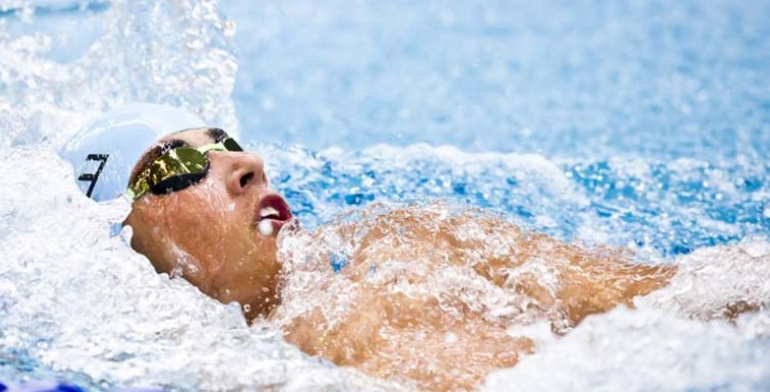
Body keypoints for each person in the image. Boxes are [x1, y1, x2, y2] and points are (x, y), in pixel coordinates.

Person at [62, 105, 750, 391]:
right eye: (175, 168)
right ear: (121, 244)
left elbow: (680, 290)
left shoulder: (418, 241)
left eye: (228, 145)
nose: (247, 165)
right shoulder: (202, 371)